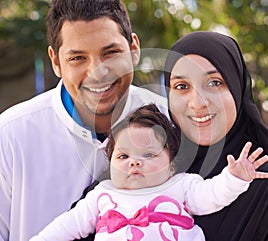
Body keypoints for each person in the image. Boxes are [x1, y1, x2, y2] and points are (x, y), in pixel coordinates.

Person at [0, 1, 168, 240]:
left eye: (110, 53)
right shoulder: (9, 137)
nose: (98, 72)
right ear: (56, 62)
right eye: (78, 58)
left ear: (134, 49)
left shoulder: (170, 121)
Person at [29, 104, 268, 241]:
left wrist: (234, 177)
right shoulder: (102, 194)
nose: (134, 163)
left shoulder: (180, 185)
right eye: (123, 156)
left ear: (172, 165)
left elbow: (211, 196)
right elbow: (67, 226)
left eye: (148, 155)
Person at [164, 31, 268, 241]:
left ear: (236, 87)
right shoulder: (147, 174)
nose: (198, 103)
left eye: (214, 83)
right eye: (181, 87)